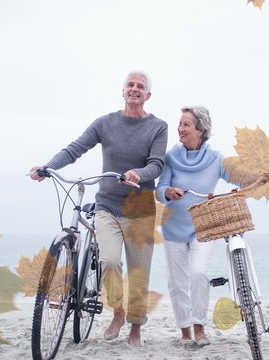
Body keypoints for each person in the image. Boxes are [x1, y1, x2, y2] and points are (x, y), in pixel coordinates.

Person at [30, 71, 168, 347]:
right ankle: (117, 311)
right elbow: (75, 149)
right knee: (109, 261)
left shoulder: (158, 127)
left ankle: (135, 328)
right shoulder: (105, 123)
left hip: (140, 210)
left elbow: (157, 165)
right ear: (123, 91)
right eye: (130, 85)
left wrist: (137, 174)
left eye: (140, 86)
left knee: (139, 271)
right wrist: (48, 167)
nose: (134, 89)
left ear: (148, 95)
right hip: (107, 206)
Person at [156, 106, 230, 346]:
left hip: (203, 227)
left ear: (201, 129)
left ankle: (199, 327)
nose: (180, 128)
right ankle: (185, 332)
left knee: (199, 273)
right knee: (177, 282)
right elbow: (159, 190)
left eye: (186, 124)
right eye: (180, 124)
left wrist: (265, 176)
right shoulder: (171, 157)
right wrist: (167, 191)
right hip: (173, 228)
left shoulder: (216, 159)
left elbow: (239, 176)